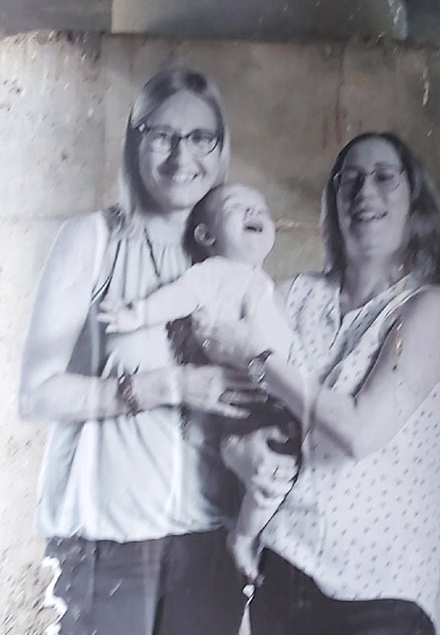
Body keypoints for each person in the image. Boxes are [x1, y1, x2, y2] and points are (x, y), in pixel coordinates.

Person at [19, 66, 258, 635]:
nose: (183, 156)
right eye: (162, 135)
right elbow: (36, 393)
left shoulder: (228, 258)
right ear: (135, 140)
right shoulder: (94, 240)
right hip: (108, 543)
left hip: (209, 542)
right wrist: (166, 387)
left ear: (221, 147)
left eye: (201, 137)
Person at [194, 132, 440, 635]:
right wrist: (234, 451)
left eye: (384, 177)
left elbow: (359, 432)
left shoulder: (430, 309)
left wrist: (258, 360)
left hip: (380, 596)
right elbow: (228, 410)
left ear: (413, 199)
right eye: (351, 179)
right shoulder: (292, 295)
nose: (365, 191)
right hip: (282, 573)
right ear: (334, 199)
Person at [98, 182, 300, 582]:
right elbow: (179, 296)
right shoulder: (215, 273)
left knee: (283, 473)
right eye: (236, 207)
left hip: (278, 395)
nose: (253, 212)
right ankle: (243, 538)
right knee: (271, 473)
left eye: (260, 207)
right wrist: (138, 314)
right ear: (206, 237)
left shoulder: (268, 285)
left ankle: (251, 533)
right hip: (245, 401)